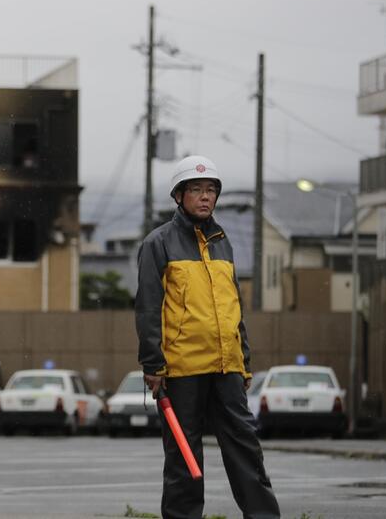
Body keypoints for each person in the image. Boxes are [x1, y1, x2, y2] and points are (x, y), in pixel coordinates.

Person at [135, 155, 280, 519]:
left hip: (227, 366)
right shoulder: (159, 243)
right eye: (197, 189)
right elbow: (149, 307)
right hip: (181, 368)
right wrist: (153, 363)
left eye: (211, 190)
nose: (205, 197)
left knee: (246, 447)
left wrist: (244, 362)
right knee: (184, 457)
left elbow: (235, 307)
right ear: (179, 195)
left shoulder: (223, 243)